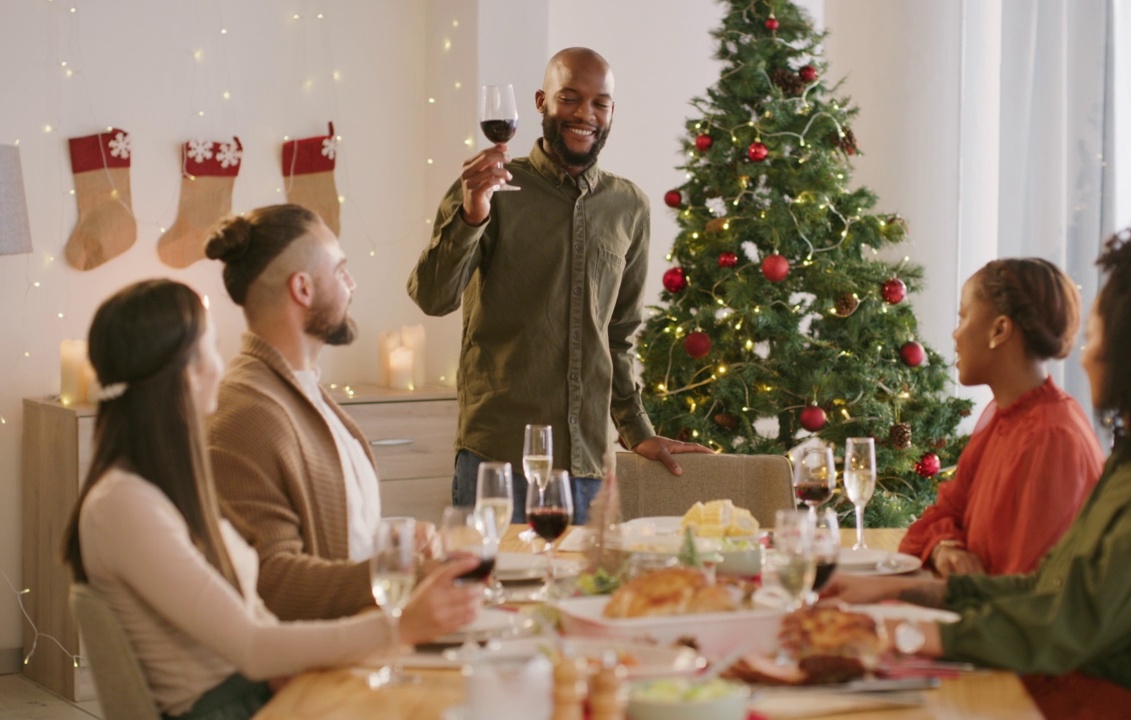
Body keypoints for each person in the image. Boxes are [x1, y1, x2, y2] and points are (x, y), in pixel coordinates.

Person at [823, 213, 1131, 719]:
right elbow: (1045, 587)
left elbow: (1060, 626)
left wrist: (900, 629)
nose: (1083, 358)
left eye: (1096, 339)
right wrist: (902, 591)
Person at [64, 279, 482, 720]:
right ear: (184, 371)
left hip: (260, 690)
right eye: (212, 348)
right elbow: (250, 646)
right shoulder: (124, 505)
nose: (219, 367)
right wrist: (402, 625)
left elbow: (254, 618)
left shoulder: (165, 483)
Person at [408, 47, 709, 523]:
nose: (584, 114)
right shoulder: (489, 189)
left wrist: (637, 430)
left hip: (587, 467)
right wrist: (471, 214)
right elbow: (432, 297)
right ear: (540, 102)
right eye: (569, 98)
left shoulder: (629, 206)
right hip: (497, 462)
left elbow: (618, 335)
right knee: (490, 597)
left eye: (599, 103)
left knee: (581, 597)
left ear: (611, 112)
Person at [206, 204, 407, 620]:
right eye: (339, 271)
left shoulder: (300, 389)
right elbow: (273, 580)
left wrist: (398, 543)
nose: (351, 285)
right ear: (302, 289)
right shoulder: (247, 413)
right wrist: (404, 572)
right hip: (316, 662)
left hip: (362, 629)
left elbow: (346, 537)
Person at [898, 258, 1104, 576]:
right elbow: (935, 519)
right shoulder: (1002, 415)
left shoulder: (1052, 437)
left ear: (1000, 329)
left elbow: (1026, 596)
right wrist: (945, 548)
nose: (955, 334)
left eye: (964, 317)